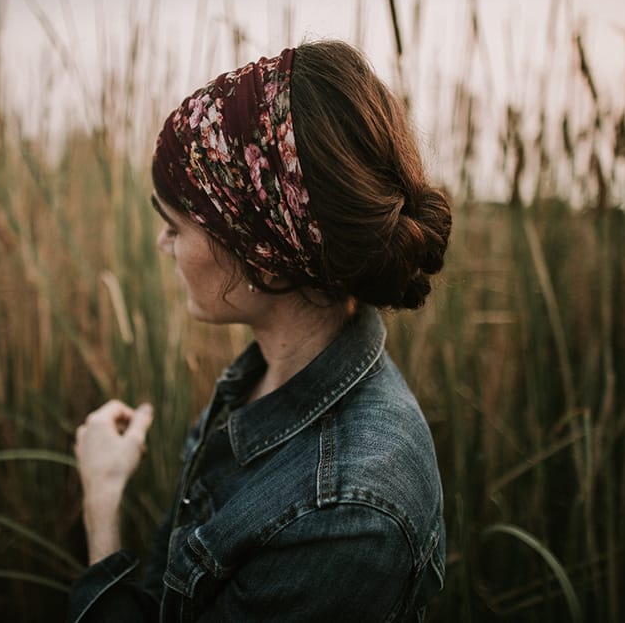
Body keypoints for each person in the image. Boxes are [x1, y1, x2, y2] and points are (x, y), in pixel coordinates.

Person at [70, 40, 450, 622]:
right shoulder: (267, 374)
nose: (162, 244)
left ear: (265, 258)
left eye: (175, 226)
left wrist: (101, 501)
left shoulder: (346, 516)